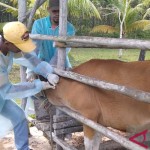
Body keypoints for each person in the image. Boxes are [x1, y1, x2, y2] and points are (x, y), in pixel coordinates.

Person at [0, 21, 59, 150]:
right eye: (19, 46)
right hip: (3, 91)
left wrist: (48, 73)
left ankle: (23, 148)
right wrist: (39, 85)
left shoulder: (9, 45)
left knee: (19, 116)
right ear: (7, 43)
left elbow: (31, 58)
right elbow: (7, 90)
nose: (22, 48)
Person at [31, 0, 75, 71]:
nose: (57, 14)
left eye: (60, 11)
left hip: (62, 63)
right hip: (42, 62)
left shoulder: (70, 28)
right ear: (48, 9)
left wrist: (50, 68)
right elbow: (35, 48)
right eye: (54, 11)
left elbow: (61, 52)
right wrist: (31, 70)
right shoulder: (39, 24)